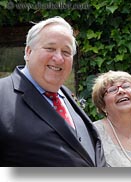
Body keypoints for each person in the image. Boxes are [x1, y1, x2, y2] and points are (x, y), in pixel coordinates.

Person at [0, 16, 106, 167]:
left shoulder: (67, 96)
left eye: (66, 52)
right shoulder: (3, 95)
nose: (59, 58)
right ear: (28, 52)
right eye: (50, 48)